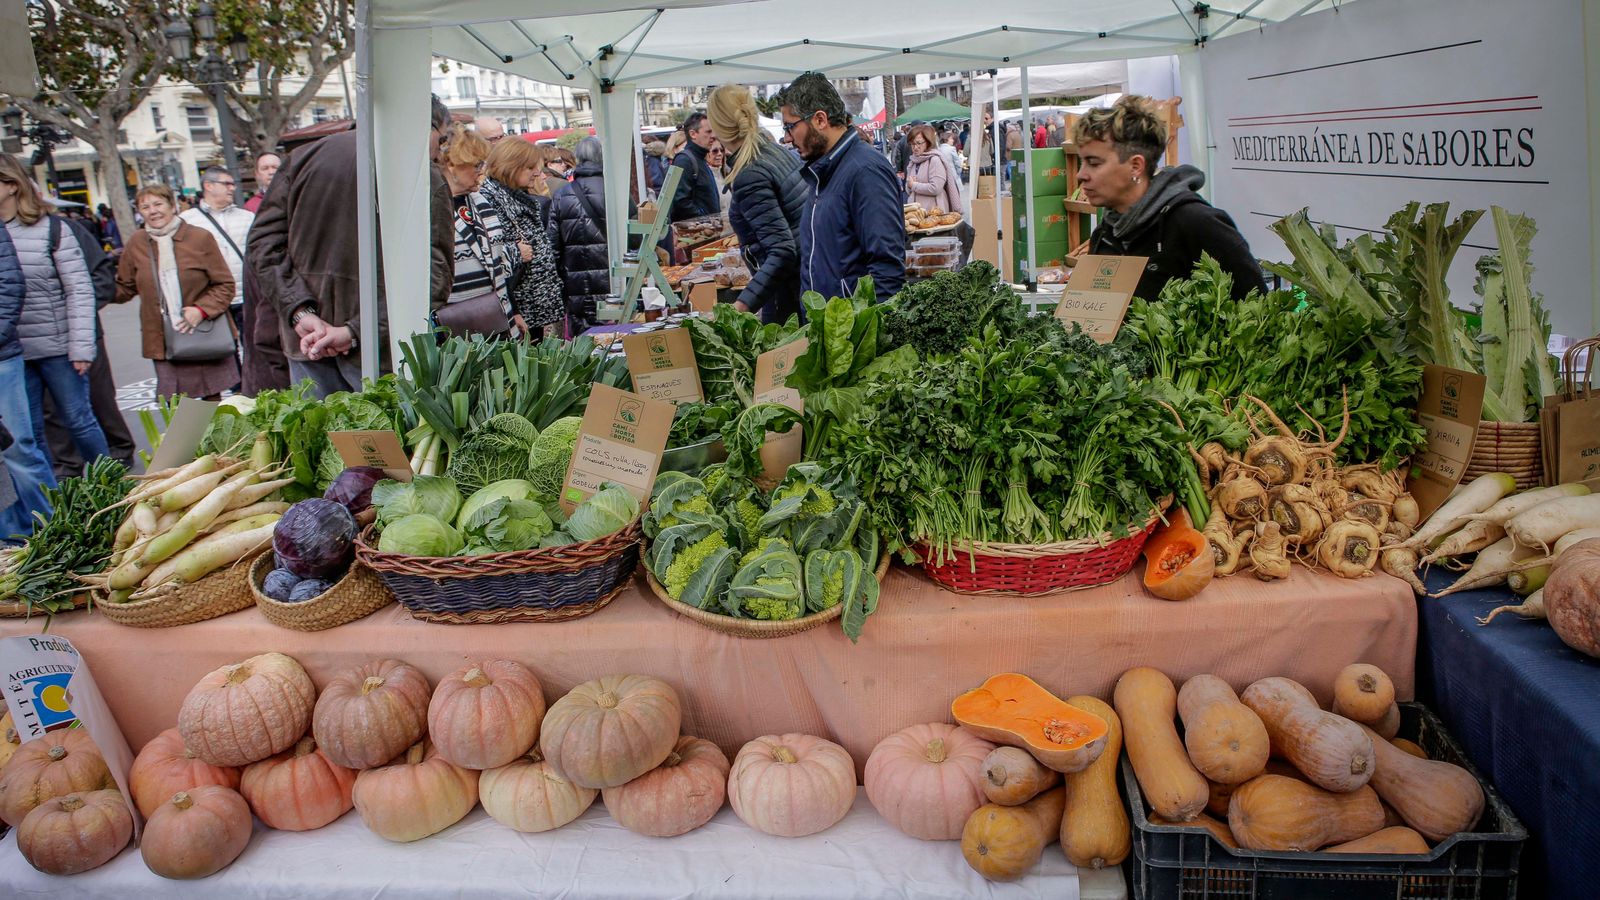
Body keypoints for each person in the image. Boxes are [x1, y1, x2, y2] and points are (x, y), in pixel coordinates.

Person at [248, 95, 455, 397]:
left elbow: (262, 246)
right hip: (375, 351)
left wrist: (302, 314)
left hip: (311, 342)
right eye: (442, 138)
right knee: (380, 441)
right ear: (425, 126)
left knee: (318, 438)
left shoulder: (304, 157)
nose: (440, 150)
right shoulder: (422, 174)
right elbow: (434, 276)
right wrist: (348, 328)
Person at [1075, 95, 1265, 302]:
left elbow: (1256, 306)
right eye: (1082, 162)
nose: (1081, 174)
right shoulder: (1105, 234)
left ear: (1135, 166)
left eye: (1093, 163)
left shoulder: (1196, 222)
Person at [0, 155, 109, 471]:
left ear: (11, 185)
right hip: (14, 353)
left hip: (59, 348)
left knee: (79, 420)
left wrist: (81, 346)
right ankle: (50, 501)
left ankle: (111, 486)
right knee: (29, 434)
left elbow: (79, 290)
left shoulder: (52, 229)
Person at [777, 72, 905, 298]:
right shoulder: (824, 170)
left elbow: (887, 270)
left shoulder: (865, 171)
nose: (787, 138)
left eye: (790, 127)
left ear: (820, 120)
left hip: (850, 330)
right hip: (829, 327)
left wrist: (865, 331)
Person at [113, 184, 236, 401]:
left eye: (158, 204)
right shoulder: (137, 243)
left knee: (211, 405)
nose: (153, 211)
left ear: (172, 205)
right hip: (163, 339)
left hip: (201, 333)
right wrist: (90, 291)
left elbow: (225, 285)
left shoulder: (199, 238)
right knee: (175, 404)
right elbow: (125, 287)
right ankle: (187, 437)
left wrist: (201, 310)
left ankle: (215, 436)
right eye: (145, 207)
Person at [45, 211, 137, 473]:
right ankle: (66, 465)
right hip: (35, 341)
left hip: (81, 329)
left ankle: (118, 452)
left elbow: (102, 279)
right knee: (50, 408)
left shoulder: (62, 228)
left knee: (98, 397)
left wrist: (77, 312)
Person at [707, 84, 807, 324]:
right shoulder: (772, 151)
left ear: (717, 127)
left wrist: (741, 305)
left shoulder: (750, 172)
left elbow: (782, 250)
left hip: (788, 294)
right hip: (802, 283)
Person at [457, 138, 564, 339]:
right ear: (511, 167)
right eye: (530, 167)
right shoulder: (492, 201)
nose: (536, 173)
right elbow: (493, 259)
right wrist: (513, 310)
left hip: (529, 303)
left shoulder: (517, 198)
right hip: (516, 306)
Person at [0, 214, 54, 539]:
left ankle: (53, 529)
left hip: (1, 356)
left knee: (18, 446)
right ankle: (10, 540)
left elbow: (9, 285)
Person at [549, 137, 635, 334]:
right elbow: (635, 236)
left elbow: (552, 247)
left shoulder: (562, 194)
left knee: (586, 341)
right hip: (617, 277)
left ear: (578, 158)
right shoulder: (617, 191)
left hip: (577, 283)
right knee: (621, 333)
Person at [180, 167, 254, 337]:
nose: (232, 188)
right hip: (213, 300)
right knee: (224, 349)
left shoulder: (247, 217)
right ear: (209, 186)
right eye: (226, 183)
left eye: (233, 184)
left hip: (248, 298)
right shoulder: (187, 221)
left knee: (255, 350)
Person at [667, 112, 720, 222]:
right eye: (708, 132)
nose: (713, 136)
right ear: (693, 134)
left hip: (706, 233)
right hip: (696, 234)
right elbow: (680, 201)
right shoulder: (684, 160)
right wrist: (706, 220)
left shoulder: (698, 159)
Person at [904, 124, 961, 214]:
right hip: (917, 214)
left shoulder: (935, 160)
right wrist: (909, 185)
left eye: (919, 143)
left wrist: (914, 185)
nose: (915, 147)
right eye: (912, 144)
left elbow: (936, 188)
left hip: (934, 213)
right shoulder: (913, 161)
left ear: (928, 142)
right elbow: (909, 189)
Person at [440, 125, 490, 210]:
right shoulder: (437, 207)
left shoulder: (479, 200)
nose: (482, 172)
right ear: (451, 164)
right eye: (477, 165)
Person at [706, 140, 733, 215]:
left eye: (721, 150)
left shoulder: (727, 174)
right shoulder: (705, 178)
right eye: (715, 151)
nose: (720, 154)